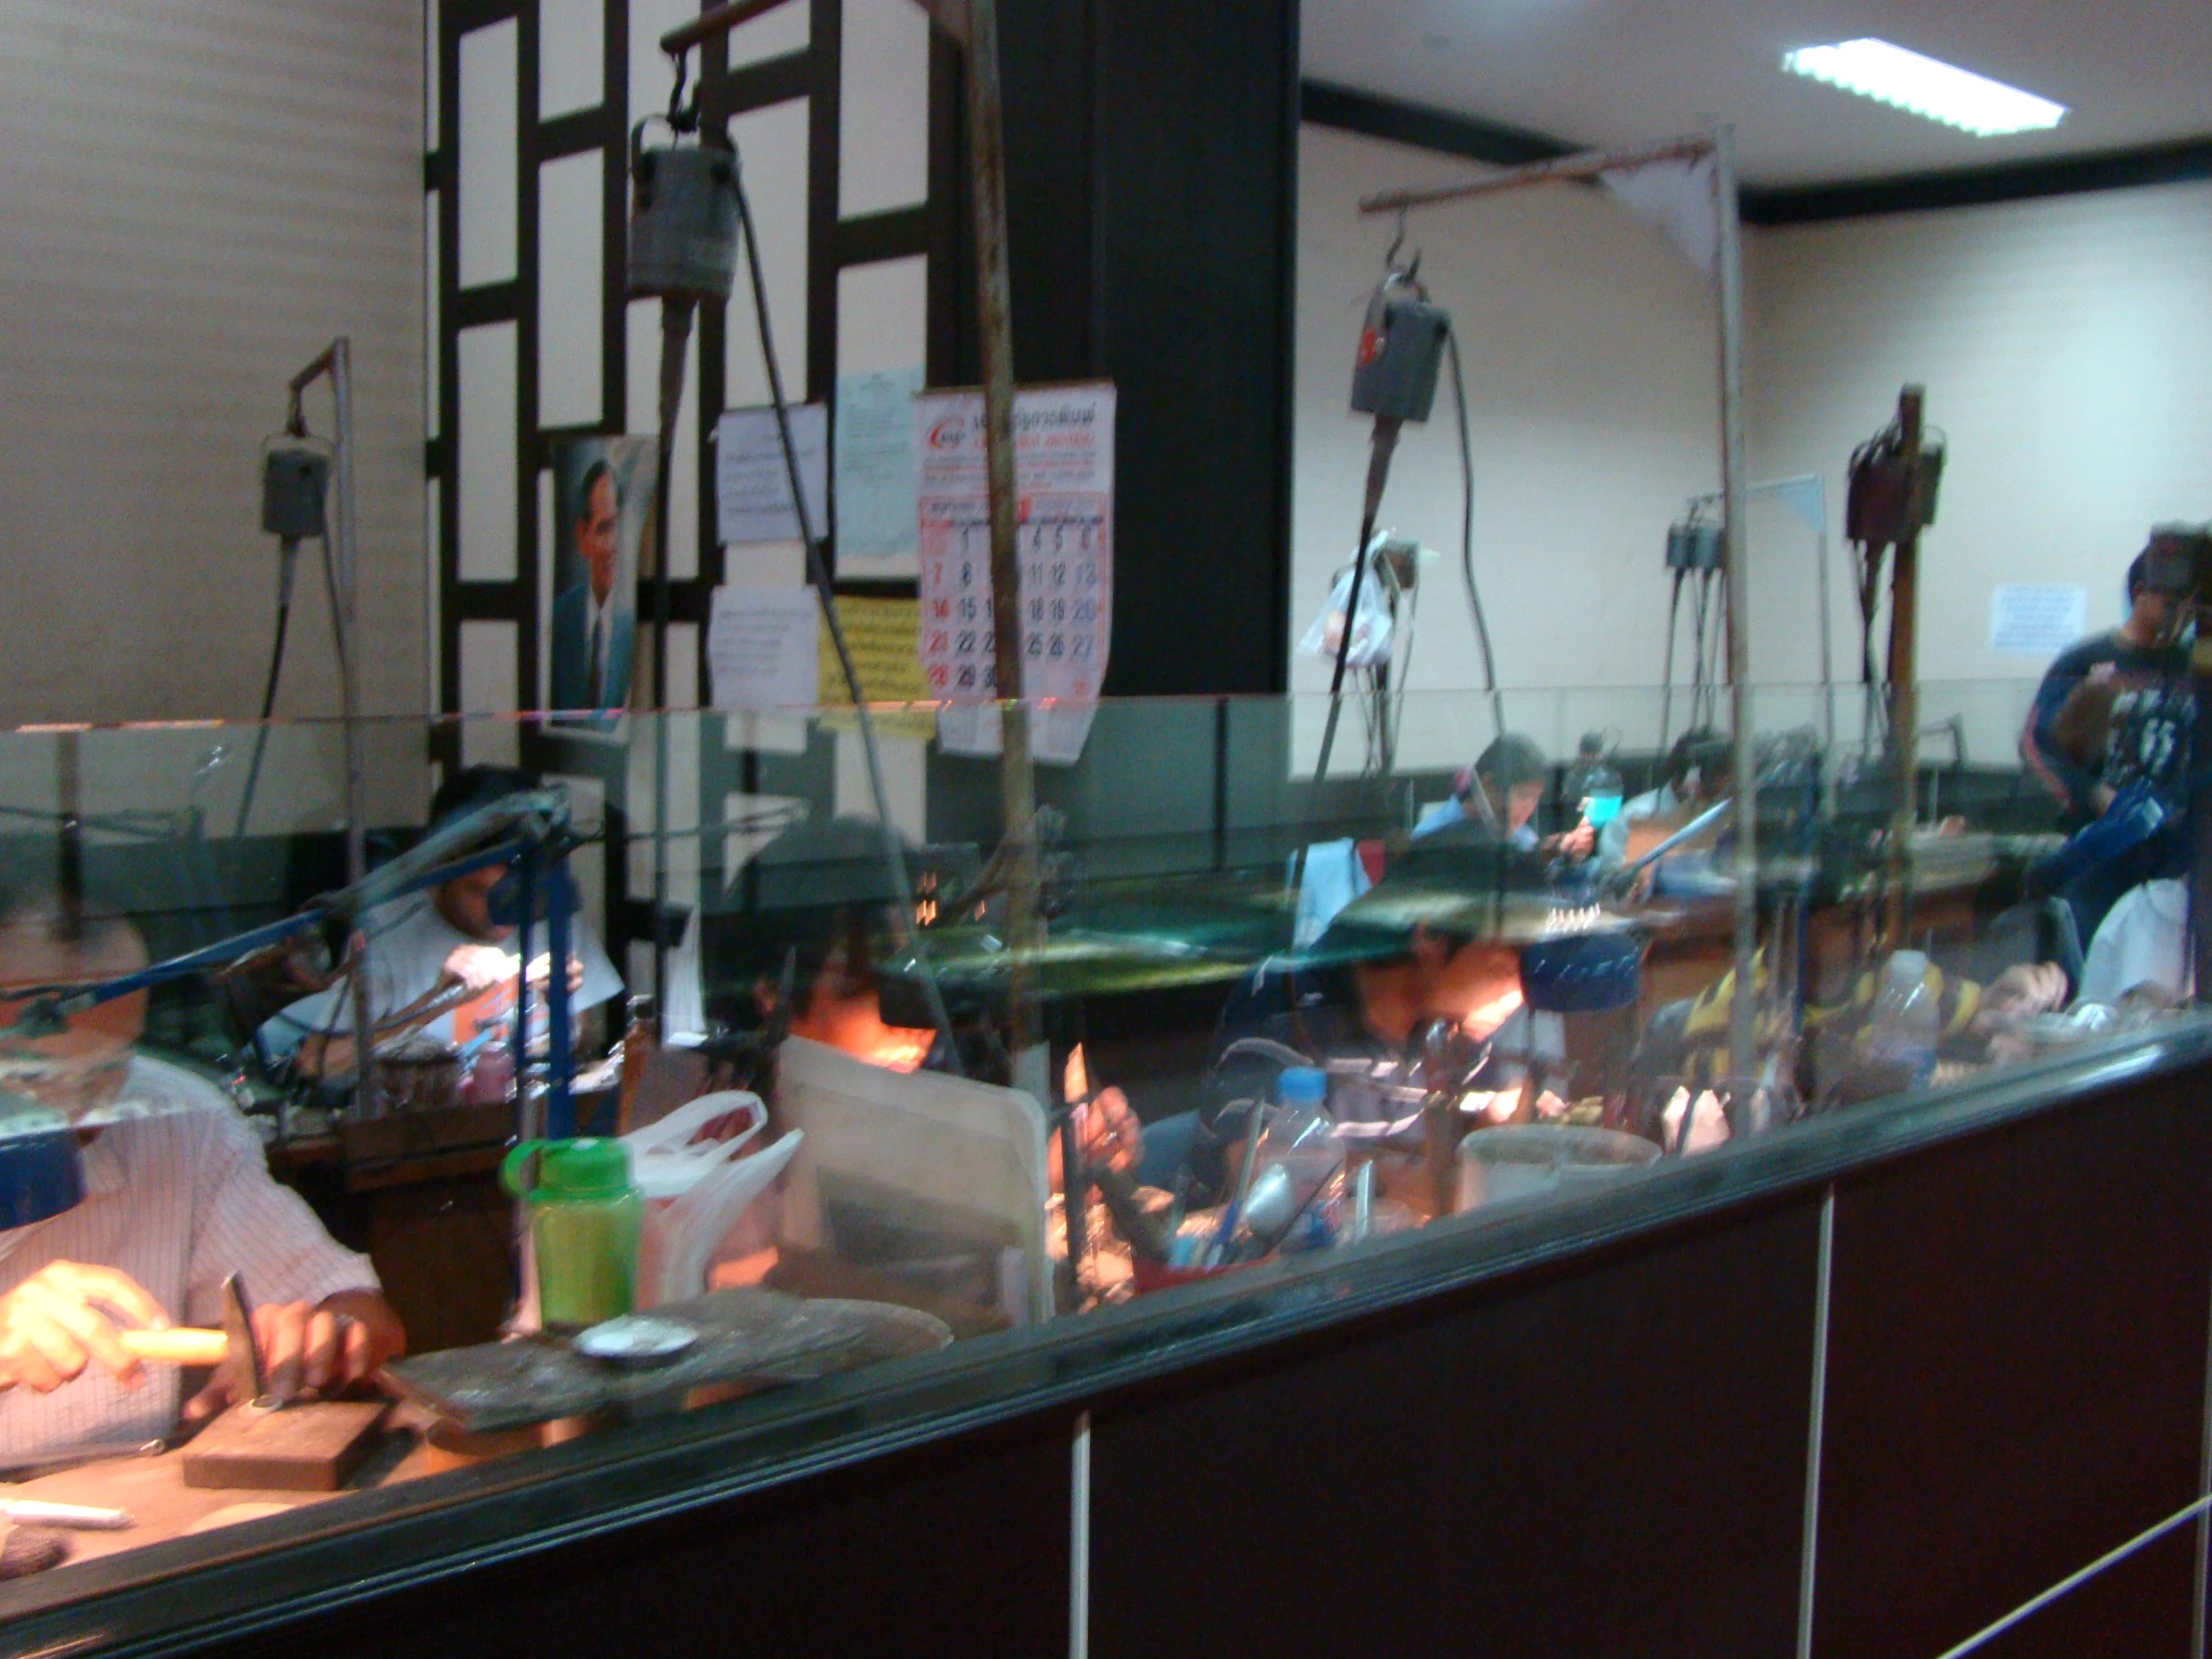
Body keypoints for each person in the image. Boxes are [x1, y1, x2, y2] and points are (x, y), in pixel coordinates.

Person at [0, 883, 404, 1464]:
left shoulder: (177, 1119)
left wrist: (330, 1338)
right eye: (35, 1076)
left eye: (106, 1069)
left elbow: (370, 1323)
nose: (82, 1112)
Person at [264, 767, 624, 1077]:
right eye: (483, 894)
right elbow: (316, 1061)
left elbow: (584, 1046)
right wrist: (438, 1001)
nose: (508, 914)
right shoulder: (388, 931)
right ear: (441, 873)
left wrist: (563, 1006)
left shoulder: (552, 912)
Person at [2020, 532, 2197, 829]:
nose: (2179, 615)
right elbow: (2037, 742)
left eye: (2186, 607)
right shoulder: (2083, 660)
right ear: (2139, 592)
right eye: (2169, 604)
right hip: (2099, 830)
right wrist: (2092, 793)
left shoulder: (2189, 665)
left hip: (2173, 835)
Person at [1412, 733, 1596, 863]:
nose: (1529, 808)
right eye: (1523, 795)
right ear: (1486, 785)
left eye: (1535, 798)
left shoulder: (1522, 837)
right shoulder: (1429, 839)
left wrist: (1566, 852)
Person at [550, 459, 636, 717]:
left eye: (619, 530)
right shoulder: (560, 617)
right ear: (582, 536)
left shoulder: (633, 621)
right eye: (604, 528)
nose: (612, 546)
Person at [1596, 727, 1734, 879]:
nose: (1725, 786)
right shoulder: (1636, 816)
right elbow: (1613, 875)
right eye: (1721, 777)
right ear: (1692, 776)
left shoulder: (1721, 816)